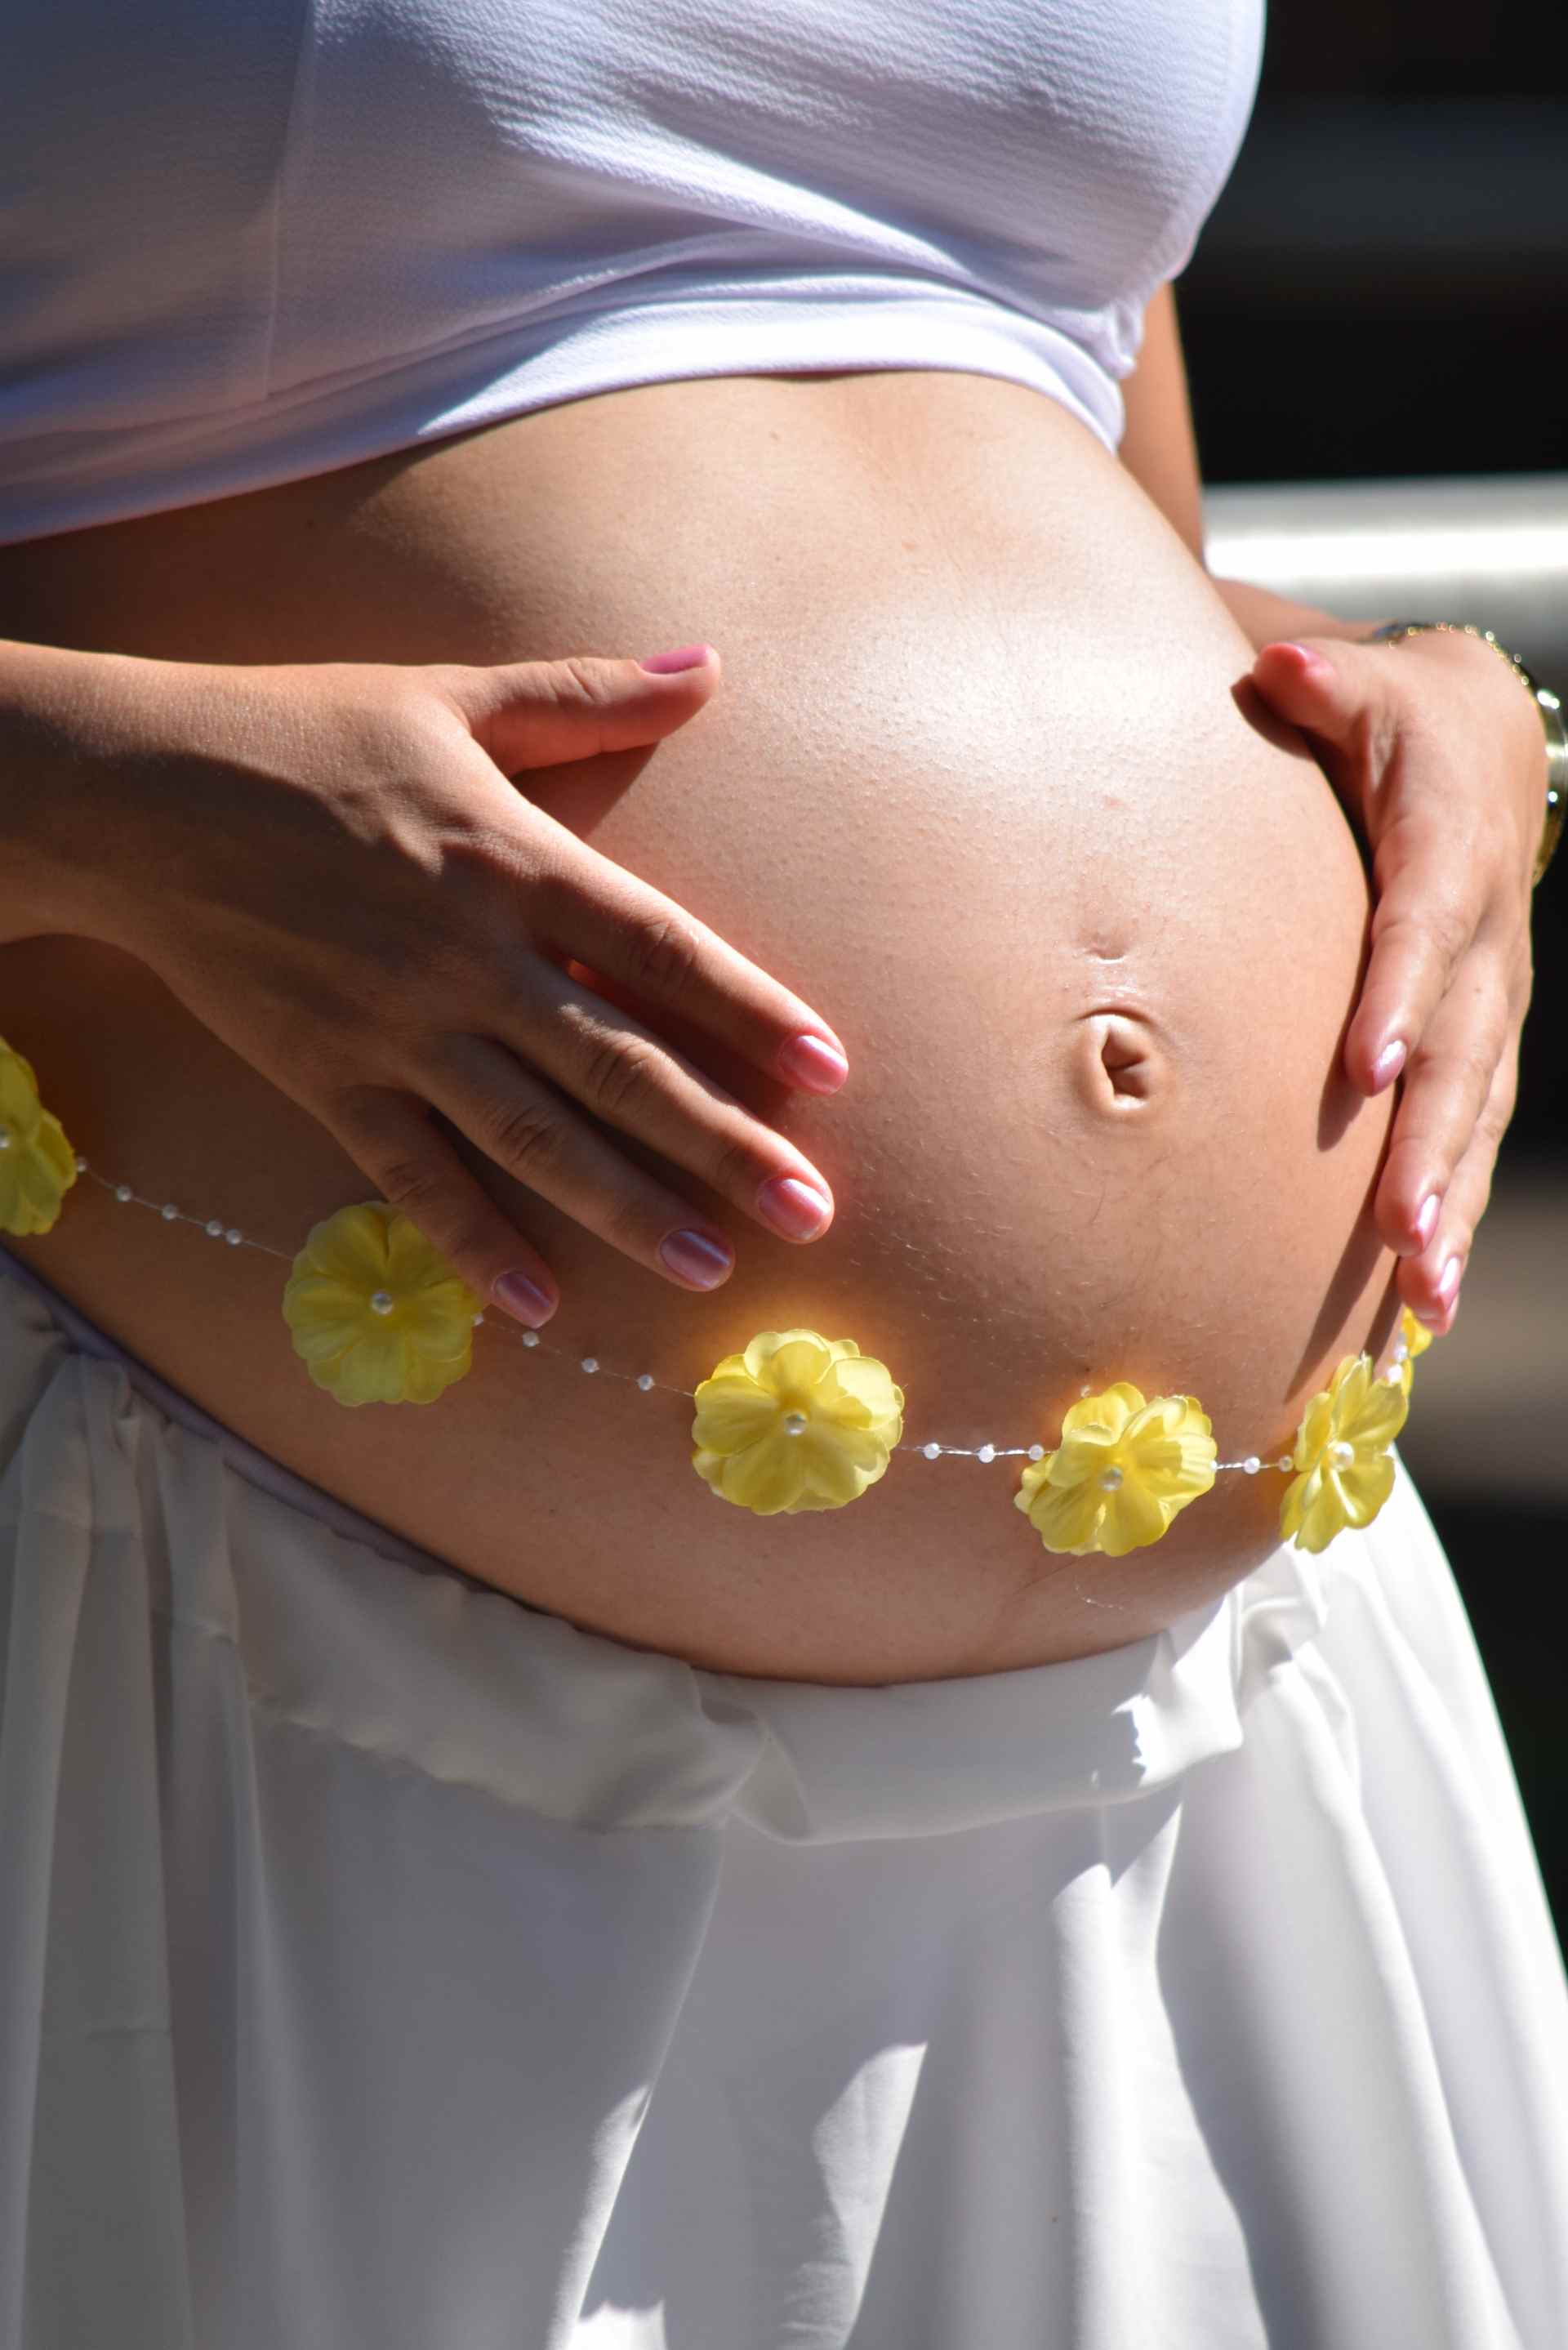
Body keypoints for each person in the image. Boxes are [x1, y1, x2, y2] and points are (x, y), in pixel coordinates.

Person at [1, 1, 1564, 2342]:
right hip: (248, 1654)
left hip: (1203, 1749)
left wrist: (1434, 702)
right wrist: (102, 793)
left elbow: (1071, 497)